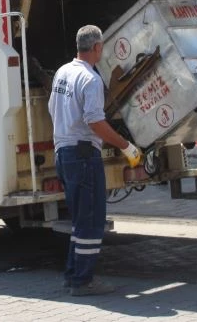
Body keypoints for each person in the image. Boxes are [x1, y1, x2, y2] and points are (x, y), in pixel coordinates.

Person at [48, 24, 143, 296]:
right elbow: (95, 122)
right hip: (84, 156)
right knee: (91, 222)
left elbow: (51, 108)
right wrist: (126, 146)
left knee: (80, 220)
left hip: (64, 153)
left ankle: (72, 275)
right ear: (97, 47)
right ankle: (83, 281)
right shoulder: (90, 80)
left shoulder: (62, 72)